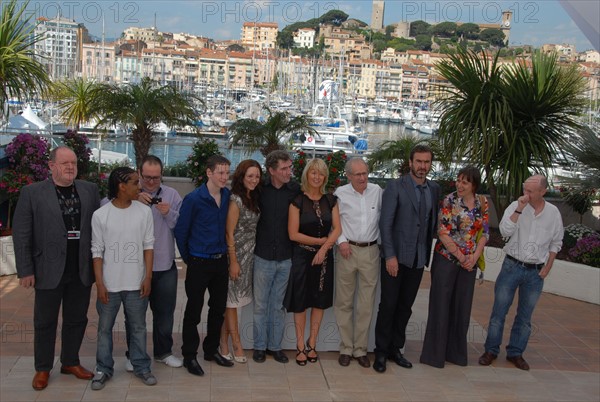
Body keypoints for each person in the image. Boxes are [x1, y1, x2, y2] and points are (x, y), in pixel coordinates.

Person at [13, 146, 100, 391]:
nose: (70, 167)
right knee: (45, 321)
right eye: (64, 163)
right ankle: (42, 368)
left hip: (80, 268)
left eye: (73, 162)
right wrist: (25, 269)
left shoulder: (89, 190)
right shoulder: (32, 193)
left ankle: (70, 362)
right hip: (47, 268)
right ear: (51, 166)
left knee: (77, 319)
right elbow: (21, 234)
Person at [479, 175, 563, 371]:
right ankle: (490, 350)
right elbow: (504, 231)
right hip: (511, 266)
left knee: (525, 317)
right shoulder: (516, 206)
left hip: (535, 273)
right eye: (525, 189)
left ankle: (515, 353)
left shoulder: (553, 213)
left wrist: (548, 266)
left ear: (543, 191)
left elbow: (556, 242)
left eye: (530, 191)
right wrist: (519, 209)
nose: (526, 194)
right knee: (498, 312)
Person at [373, 144, 440, 373]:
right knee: (389, 305)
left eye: (427, 162)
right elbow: (386, 223)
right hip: (396, 258)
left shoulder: (434, 189)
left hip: (419, 259)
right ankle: (380, 352)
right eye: (419, 161)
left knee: (405, 307)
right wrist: (389, 255)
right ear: (411, 162)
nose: (423, 166)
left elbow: (431, 223)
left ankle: (395, 349)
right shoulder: (395, 186)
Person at [90, 167, 156, 390]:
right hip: (109, 285)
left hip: (136, 283)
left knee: (138, 327)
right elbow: (97, 251)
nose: (141, 186)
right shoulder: (101, 215)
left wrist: (147, 277)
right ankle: (103, 369)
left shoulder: (144, 212)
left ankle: (141, 366)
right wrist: (100, 284)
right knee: (104, 329)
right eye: (136, 183)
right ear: (121, 186)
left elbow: (148, 246)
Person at [420, 166, 489, 368]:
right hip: (446, 260)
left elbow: (485, 233)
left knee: (462, 308)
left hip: (469, 263)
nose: (460, 184)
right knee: (440, 307)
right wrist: (461, 257)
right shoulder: (449, 201)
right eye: (458, 180)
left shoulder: (482, 202)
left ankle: (456, 354)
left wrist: (474, 257)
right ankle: (434, 355)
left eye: (465, 182)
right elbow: (442, 232)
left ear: (474, 185)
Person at [121, 155, 183, 371]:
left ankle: (163, 352)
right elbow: (107, 211)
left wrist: (168, 213)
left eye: (156, 178)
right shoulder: (128, 193)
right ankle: (133, 355)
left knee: (165, 314)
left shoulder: (172, 195)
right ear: (139, 173)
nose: (150, 182)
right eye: (146, 177)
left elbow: (181, 224)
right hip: (135, 267)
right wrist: (132, 201)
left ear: (161, 175)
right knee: (135, 316)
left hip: (164, 264)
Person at [174, 155, 233, 376]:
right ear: (209, 173)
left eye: (227, 173)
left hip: (220, 263)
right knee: (194, 310)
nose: (224, 177)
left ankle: (211, 350)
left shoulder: (227, 196)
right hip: (199, 262)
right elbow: (181, 231)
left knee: (217, 310)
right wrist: (190, 258)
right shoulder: (194, 199)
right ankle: (189, 355)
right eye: (220, 173)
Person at [285, 158, 341, 366]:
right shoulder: (297, 201)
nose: (317, 177)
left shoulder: (331, 200)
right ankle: (300, 345)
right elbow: (293, 234)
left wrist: (325, 248)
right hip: (301, 257)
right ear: (307, 175)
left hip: (325, 258)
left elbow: (337, 229)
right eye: (313, 172)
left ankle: (312, 343)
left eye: (321, 173)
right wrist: (319, 242)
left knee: (319, 301)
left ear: (325, 177)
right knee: (300, 302)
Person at [333, 157, 382, 368]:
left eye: (365, 173)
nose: (363, 178)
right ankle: (346, 347)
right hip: (346, 250)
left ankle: (361, 349)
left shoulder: (377, 191)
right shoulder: (340, 194)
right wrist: (341, 242)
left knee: (365, 304)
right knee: (344, 302)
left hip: (371, 251)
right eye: (358, 174)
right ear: (349, 175)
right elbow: (334, 222)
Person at [252, 150, 300, 364]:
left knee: (278, 306)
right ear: (271, 171)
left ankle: (275, 347)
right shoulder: (259, 189)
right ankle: (260, 347)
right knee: (261, 305)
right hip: (262, 256)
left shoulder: (295, 190)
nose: (288, 171)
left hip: (285, 257)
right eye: (284, 168)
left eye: (290, 167)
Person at [219, 160, 262, 364]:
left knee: (235, 302)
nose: (254, 180)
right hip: (235, 256)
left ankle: (223, 342)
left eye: (257, 176)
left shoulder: (252, 197)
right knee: (232, 302)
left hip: (250, 256)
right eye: (250, 176)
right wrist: (233, 261)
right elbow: (229, 233)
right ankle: (236, 343)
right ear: (241, 177)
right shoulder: (235, 199)